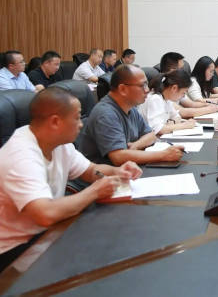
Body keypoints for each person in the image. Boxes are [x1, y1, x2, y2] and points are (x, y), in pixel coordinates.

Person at [0, 87, 142, 271]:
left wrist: (118, 171)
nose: (81, 124)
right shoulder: (21, 156)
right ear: (55, 122)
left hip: (48, 232)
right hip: (15, 251)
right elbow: (45, 214)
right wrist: (94, 191)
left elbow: (91, 170)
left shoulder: (58, 143)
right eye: (77, 118)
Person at [76, 65, 185, 166]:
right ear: (123, 89)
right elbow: (118, 157)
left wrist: (136, 145)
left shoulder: (130, 107)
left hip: (126, 169)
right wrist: (164, 155)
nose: (147, 90)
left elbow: (151, 135)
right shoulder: (105, 113)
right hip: (103, 175)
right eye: (142, 85)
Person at [158, 52, 218, 118]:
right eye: (182, 69)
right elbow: (182, 112)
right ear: (172, 70)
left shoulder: (177, 84)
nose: (184, 72)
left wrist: (209, 104)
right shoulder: (163, 88)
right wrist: (210, 109)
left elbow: (191, 104)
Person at [137, 69, 198, 135]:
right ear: (174, 88)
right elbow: (158, 130)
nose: (183, 96)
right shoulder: (155, 99)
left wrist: (171, 123)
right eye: (183, 93)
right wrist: (184, 125)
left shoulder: (167, 99)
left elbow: (177, 117)